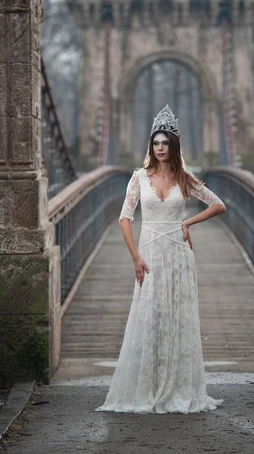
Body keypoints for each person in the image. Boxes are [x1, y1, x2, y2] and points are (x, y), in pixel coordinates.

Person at [95, 104, 226, 414]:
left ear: (174, 145)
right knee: (151, 316)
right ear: (150, 146)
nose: (161, 148)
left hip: (179, 255)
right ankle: (150, 386)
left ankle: (178, 386)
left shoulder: (185, 177)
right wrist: (135, 258)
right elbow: (125, 218)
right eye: (156, 143)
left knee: (177, 316)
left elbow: (218, 205)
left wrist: (187, 223)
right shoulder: (139, 177)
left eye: (166, 143)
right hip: (150, 253)